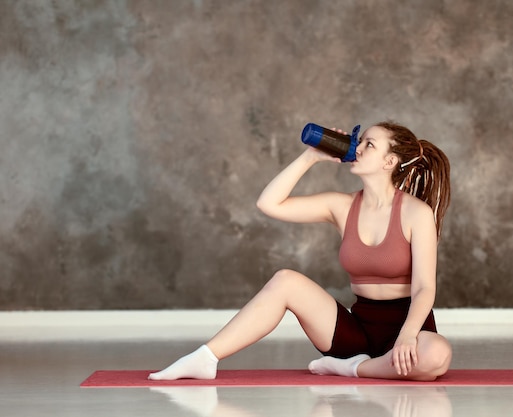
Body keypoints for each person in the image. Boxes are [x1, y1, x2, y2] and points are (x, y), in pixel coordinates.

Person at [148, 121, 452, 381]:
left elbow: (425, 287)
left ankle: (353, 369)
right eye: (360, 142)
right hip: (356, 331)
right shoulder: (342, 206)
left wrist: (408, 335)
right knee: (285, 281)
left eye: (369, 144)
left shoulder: (416, 213)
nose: (357, 148)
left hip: (407, 328)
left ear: (390, 162)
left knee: (436, 356)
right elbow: (269, 203)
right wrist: (310, 157)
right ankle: (206, 358)